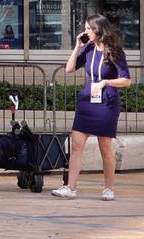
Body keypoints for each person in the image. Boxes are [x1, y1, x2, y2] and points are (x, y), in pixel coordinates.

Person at [51, 14, 131, 201]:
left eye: (88, 28)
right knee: (76, 144)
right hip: (87, 101)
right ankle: (71, 188)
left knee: (105, 147)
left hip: (106, 103)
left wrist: (106, 82)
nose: (85, 31)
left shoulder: (115, 51)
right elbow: (69, 69)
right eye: (85, 28)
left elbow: (126, 80)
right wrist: (77, 46)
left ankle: (108, 188)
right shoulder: (88, 49)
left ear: (98, 30)